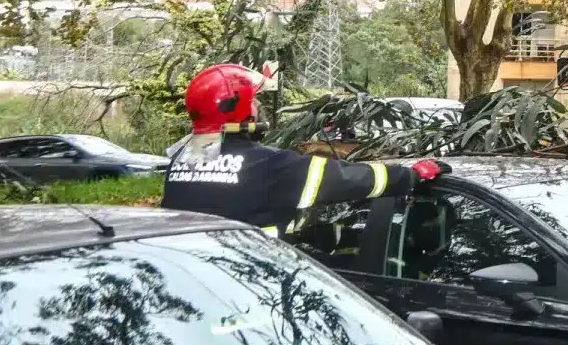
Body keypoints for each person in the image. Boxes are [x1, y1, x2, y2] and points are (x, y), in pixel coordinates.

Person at [161, 63, 448, 235]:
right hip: (253, 285)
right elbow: (349, 179)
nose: (260, 109)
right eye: (256, 102)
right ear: (241, 112)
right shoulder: (268, 166)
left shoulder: (183, 160)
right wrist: (411, 176)